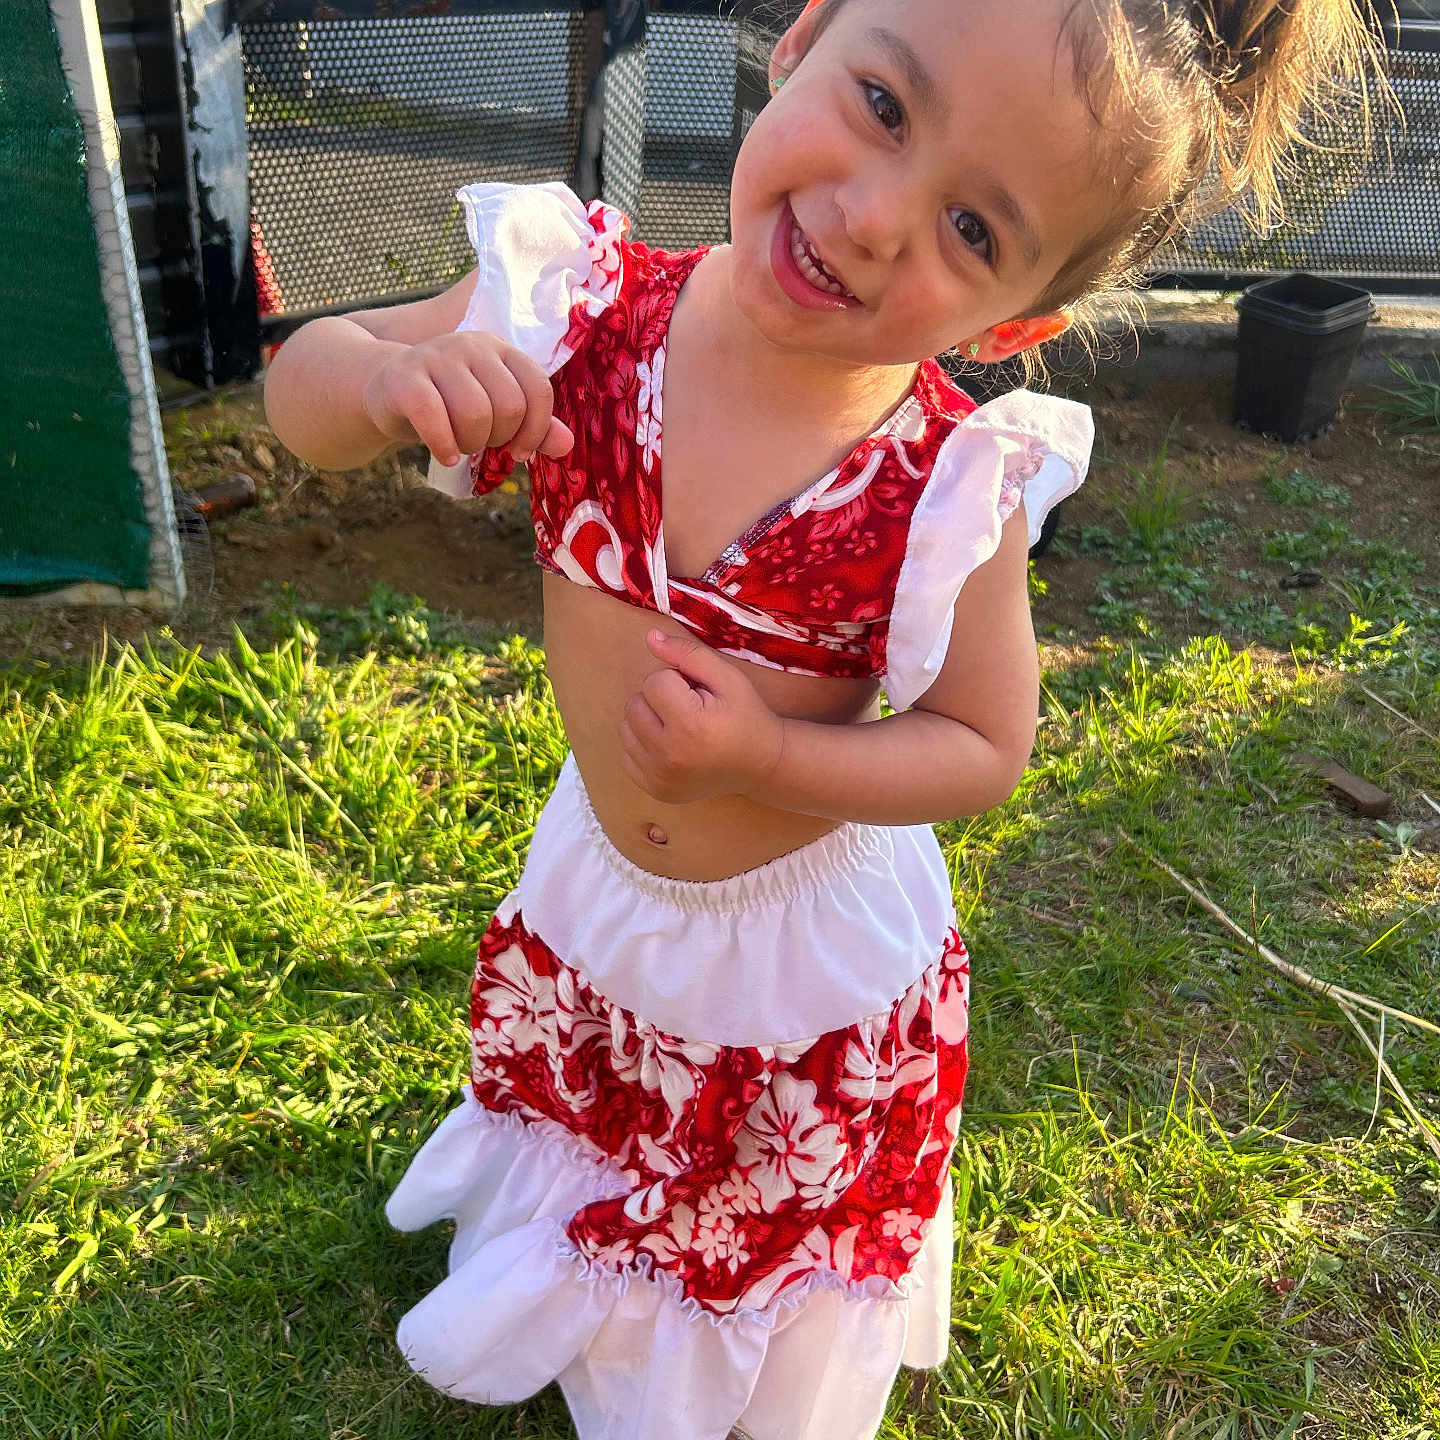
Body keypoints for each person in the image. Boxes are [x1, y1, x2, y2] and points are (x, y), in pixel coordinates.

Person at [264, 0, 1378, 1434]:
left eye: (974, 232)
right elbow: (299, 395)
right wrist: (384, 380)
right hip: (606, 888)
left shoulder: (942, 486)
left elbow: (986, 743)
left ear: (1020, 316)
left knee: (747, 1190)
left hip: (796, 957)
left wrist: (770, 755)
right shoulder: (577, 313)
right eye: (885, 106)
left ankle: (716, 1348)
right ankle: (583, 1263)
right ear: (800, 40)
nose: (872, 216)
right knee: (616, 1106)